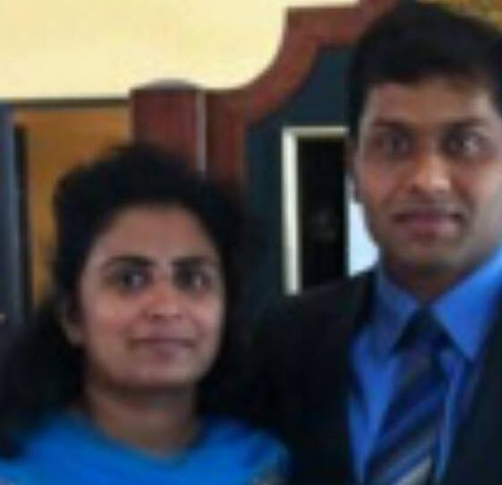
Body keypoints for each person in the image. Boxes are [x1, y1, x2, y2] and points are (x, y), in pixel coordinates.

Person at [253, 2, 502, 485]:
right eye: (394, 145)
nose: (428, 180)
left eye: (464, 144)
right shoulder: (280, 346)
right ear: (353, 167)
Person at [0, 143, 288, 485]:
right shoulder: (18, 468)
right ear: (72, 316)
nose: (167, 307)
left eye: (193, 279)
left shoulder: (260, 464)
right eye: (129, 280)